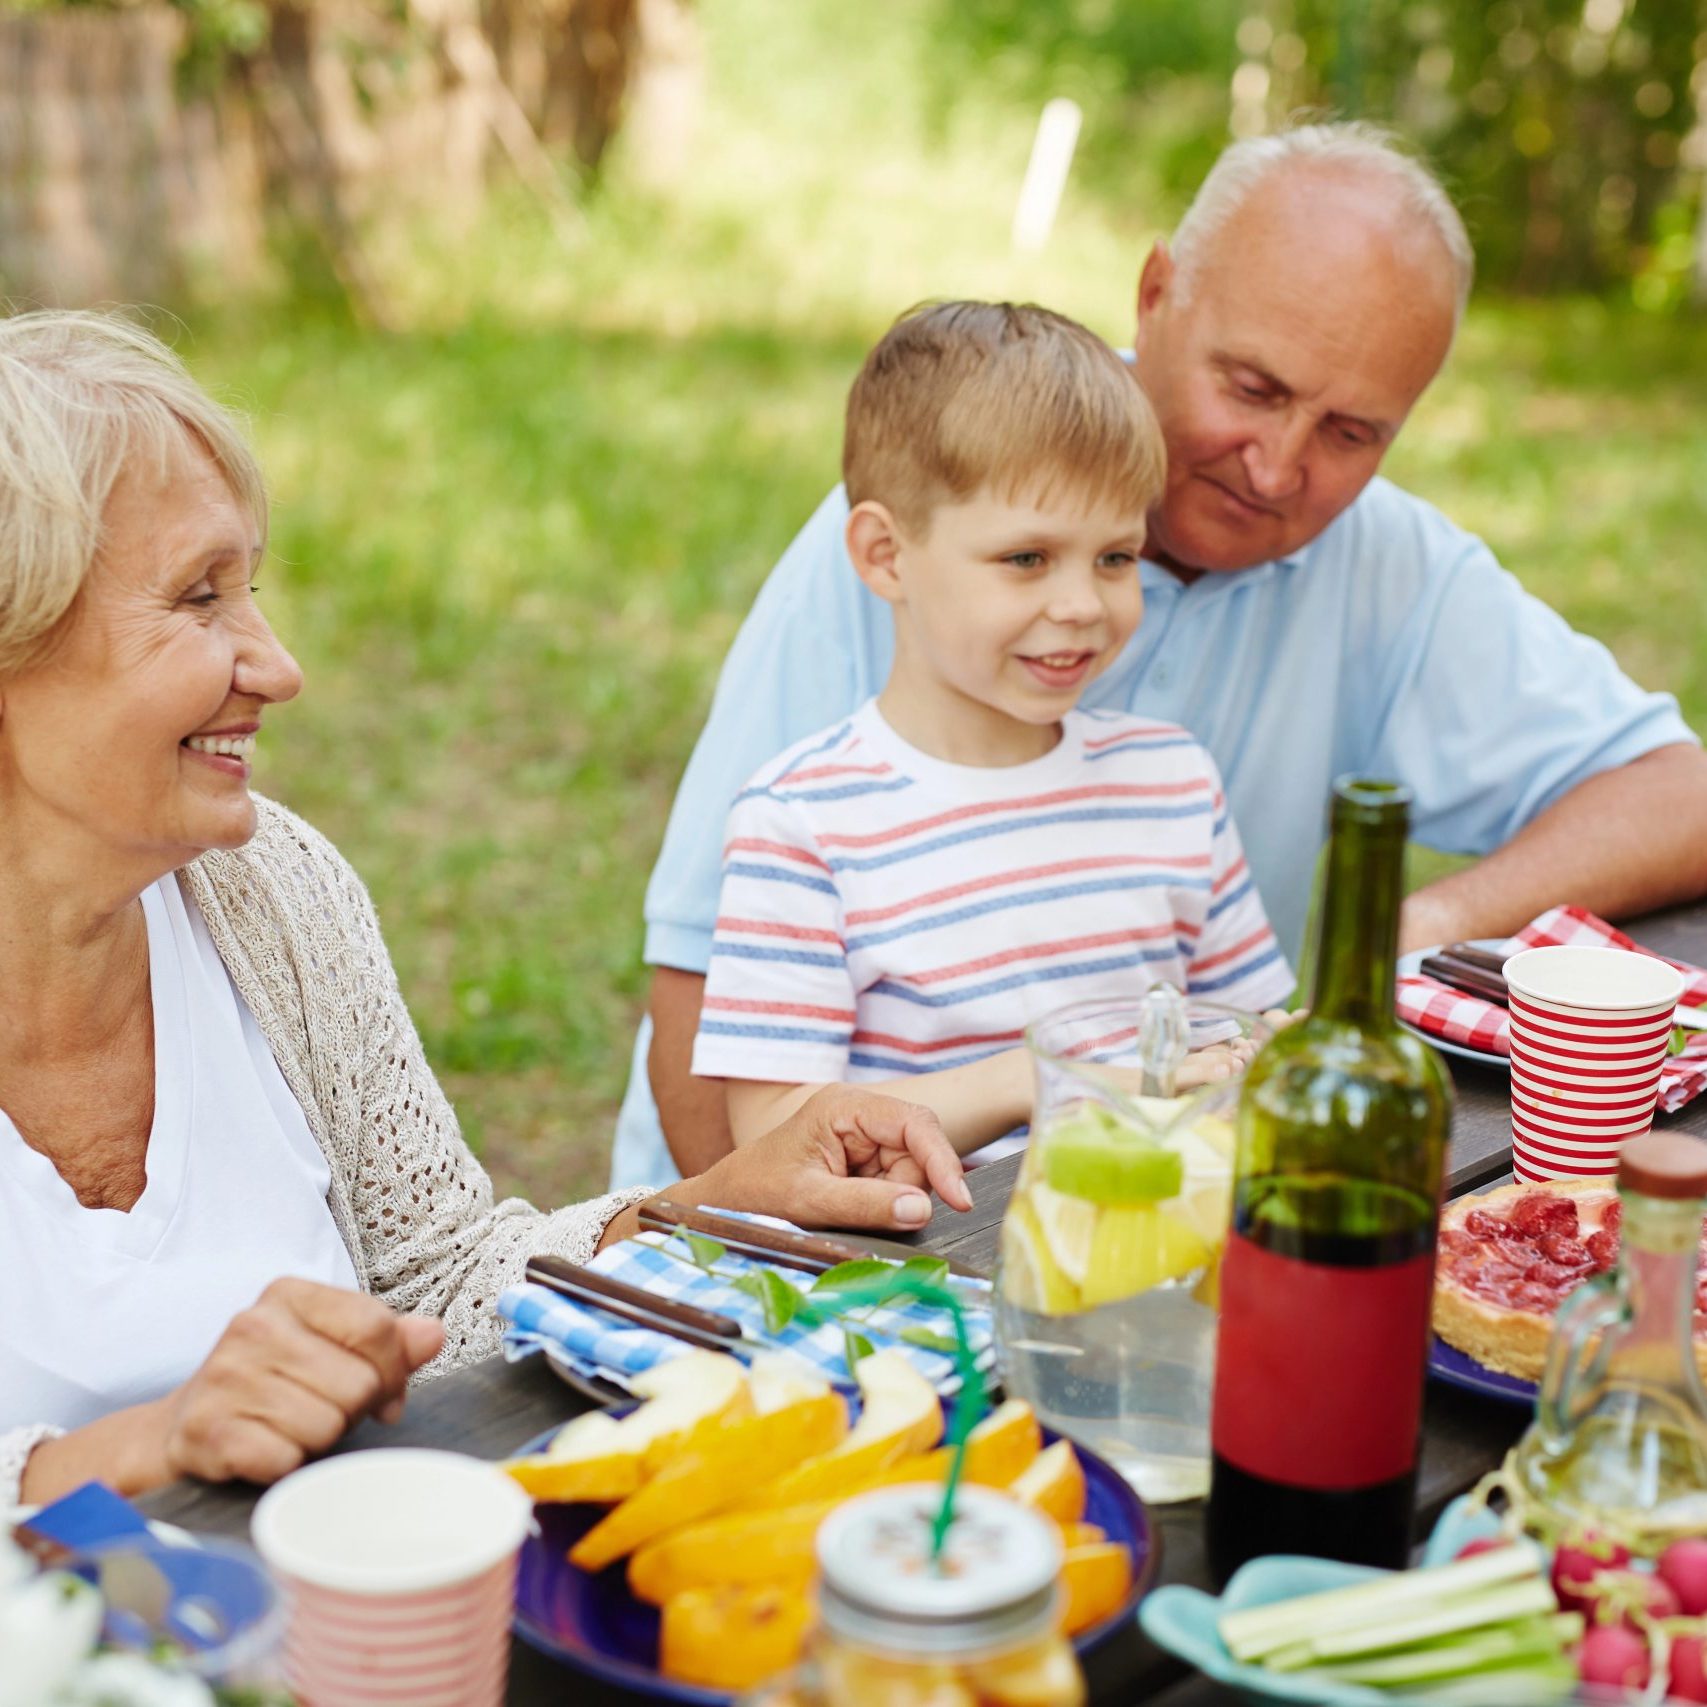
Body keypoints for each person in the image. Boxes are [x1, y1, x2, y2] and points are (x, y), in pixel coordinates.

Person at [611, 120, 1707, 1191]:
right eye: (1253, 388)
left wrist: (1419, 929)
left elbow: (1680, 793)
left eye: (1350, 432)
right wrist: (760, 1249)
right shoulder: (932, 528)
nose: (1275, 469)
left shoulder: (1377, 576)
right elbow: (705, 996)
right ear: (1154, 293)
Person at [0, 310, 972, 1515]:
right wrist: (138, 1450)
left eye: (250, 589)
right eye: (200, 601)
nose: (279, 666)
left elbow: (441, 1283)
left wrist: (697, 1210)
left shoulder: (275, 890)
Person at [692, 301, 1293, 1161]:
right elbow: (775, 1135)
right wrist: (1036, 1080)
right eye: (1026, 558)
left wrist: (1268, 1050)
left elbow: (1241, 1029)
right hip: (932, 1244)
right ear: (885, 555)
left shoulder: (1172, 781)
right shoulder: (803, 822)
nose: (1081, 604)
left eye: (1115, 557)